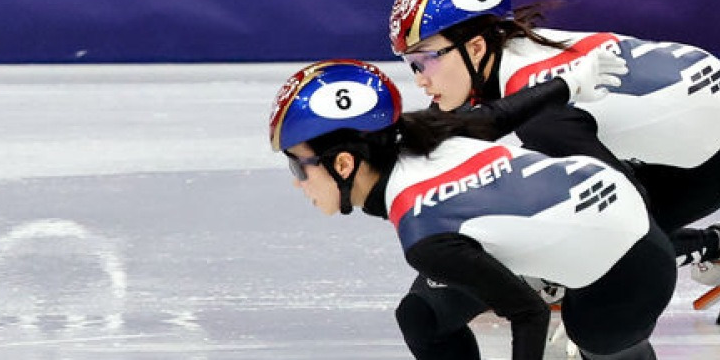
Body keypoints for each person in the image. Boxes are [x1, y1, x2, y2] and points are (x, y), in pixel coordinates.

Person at [386, 0, 720, 287]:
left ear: (475, 48)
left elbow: (627, 204)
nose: (420, 80)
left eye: (424, 61)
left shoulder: (537, 100)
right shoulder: (510, 56)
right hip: (701, 111)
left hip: (706, 161)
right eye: (411, 66)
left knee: (574, 239)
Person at [268, 58, 675, 360]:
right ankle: (547, 272)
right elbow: (502, 113)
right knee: (422, 316)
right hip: (589, 207)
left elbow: (529, 314)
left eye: (297, 166)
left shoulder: (425, 232)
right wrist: (569, 82)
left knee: (597, 339)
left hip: (631, 264)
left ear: (343, 164)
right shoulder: (425, 132)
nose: (295, 182)